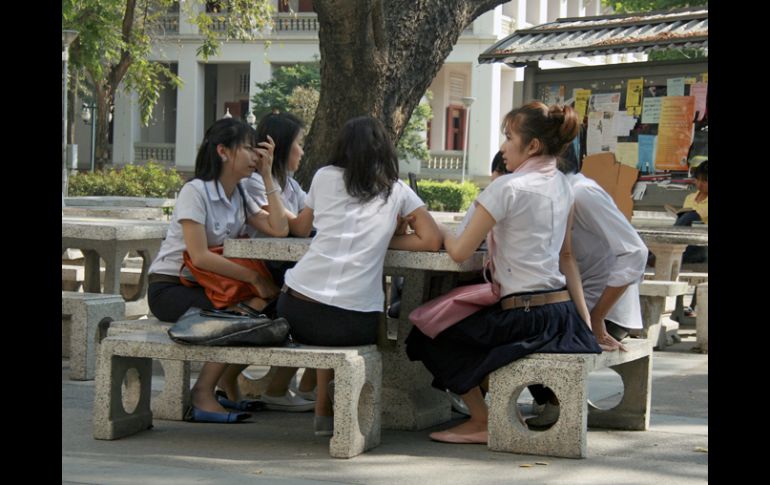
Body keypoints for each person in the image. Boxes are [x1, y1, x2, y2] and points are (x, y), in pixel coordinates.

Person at [406, 101, 602, 444]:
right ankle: (487, 414)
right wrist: (585, 323)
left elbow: (459, 251)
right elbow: (567, 257)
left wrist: (438, 230)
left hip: (524, 315)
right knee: (464, 329)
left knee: (426, 336)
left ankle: (481, 419)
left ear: (533, 146)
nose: (502, 146)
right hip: (560, 314)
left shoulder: (506, 188)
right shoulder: (564, 186)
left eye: (509, 137)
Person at [275, 115, 443, 436]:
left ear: (343, 148)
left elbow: (301, 226)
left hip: (298, 311)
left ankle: (323, 409)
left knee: (323, 311)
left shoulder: (324, 177)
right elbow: (431, 240)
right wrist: (380, 238)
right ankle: (326, 410)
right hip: (353, 322)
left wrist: (374, 236)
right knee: (338, 315)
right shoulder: (396, 191)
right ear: (385, 152)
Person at [147, 117, 289, 423]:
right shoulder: (195, 192)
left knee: (257, 307)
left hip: (212, 287)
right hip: (171, 288)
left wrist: (267, 176)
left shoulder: (238, 194)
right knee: (246, 310)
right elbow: (198, 257)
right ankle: (202, 392)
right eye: (249, 149)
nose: (256, 156)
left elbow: (279, 228)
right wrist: (254, 277)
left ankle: (209, 389)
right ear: (223, 151)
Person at [240, 112, 316, 411]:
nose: (303, 150)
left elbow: (312, 218)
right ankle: (279, 387)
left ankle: (299, 386)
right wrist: (269, 173)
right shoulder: (256, 184)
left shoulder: (291, 185)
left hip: (283, 268)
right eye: (299, 143)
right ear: (281, 147)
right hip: (262, 270)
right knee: (305, 309)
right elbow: (293, 227)